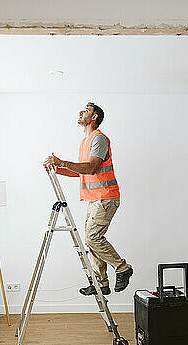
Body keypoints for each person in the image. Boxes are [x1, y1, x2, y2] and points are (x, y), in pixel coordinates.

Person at [43, 102, 133, 296]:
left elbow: (91, 168)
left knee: (93, 238)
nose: (80, 111)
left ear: (94, 118)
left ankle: (123, 268)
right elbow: (82, 173)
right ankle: (101, 283)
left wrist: (62, 162)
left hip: (106, 197)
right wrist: (57, 170)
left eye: (86, 110)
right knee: (91, 240)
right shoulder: (86, 141)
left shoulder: (99, 139)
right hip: (95, 199)